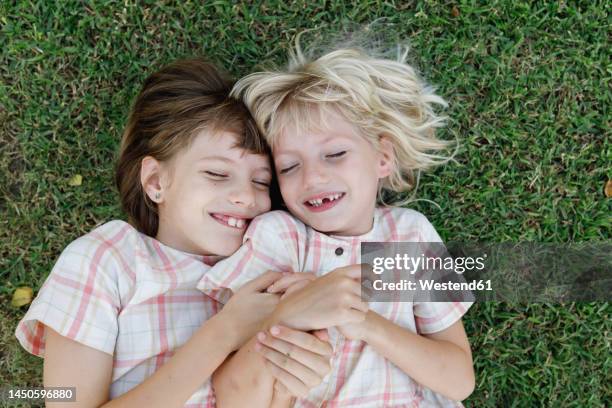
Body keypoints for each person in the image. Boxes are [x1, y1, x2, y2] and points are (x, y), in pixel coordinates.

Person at [15, 58, 330, 407]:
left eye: (261, 181)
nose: (247, 196)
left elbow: (387, 272)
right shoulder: (108, 259)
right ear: (155, 181)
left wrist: (320, 316)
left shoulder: (286, 250)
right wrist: (222, 334)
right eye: (216, 173)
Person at [199, 46, 476, 407]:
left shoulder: (410, 236)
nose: (313, 177)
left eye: (334, 154)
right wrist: (296, 310)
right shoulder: (278, 238)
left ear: (382, 157)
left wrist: (363, 322)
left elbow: (459, 381)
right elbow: (233, 387)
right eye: (289, 167)